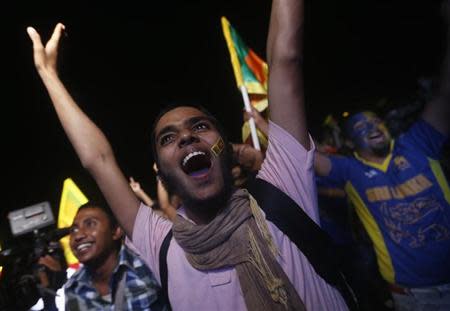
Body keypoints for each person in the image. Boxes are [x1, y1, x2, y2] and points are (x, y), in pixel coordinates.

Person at [27, 0, 350, 309]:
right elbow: (98, 160)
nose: (186, 136)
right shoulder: (161, 245)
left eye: (200, 126)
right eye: (168, 137)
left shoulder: (284, 188)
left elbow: (285, 58)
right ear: (163, 174)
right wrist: (48, 75)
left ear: (226, 149)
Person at [313, 4, 450, 310]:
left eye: (376, 121)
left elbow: (445, 93)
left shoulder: (418, 141)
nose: (372, 126)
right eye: (361, 126)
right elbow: (301, 154)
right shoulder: (349, 170)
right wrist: (262, 123)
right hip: (416, 299)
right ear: (349, 141)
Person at [64, 202, 165, 310]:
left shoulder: (149, 267)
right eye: (74, 230)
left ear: (116, 231)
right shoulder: (73, 289)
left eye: (90, 224)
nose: (78, 235)